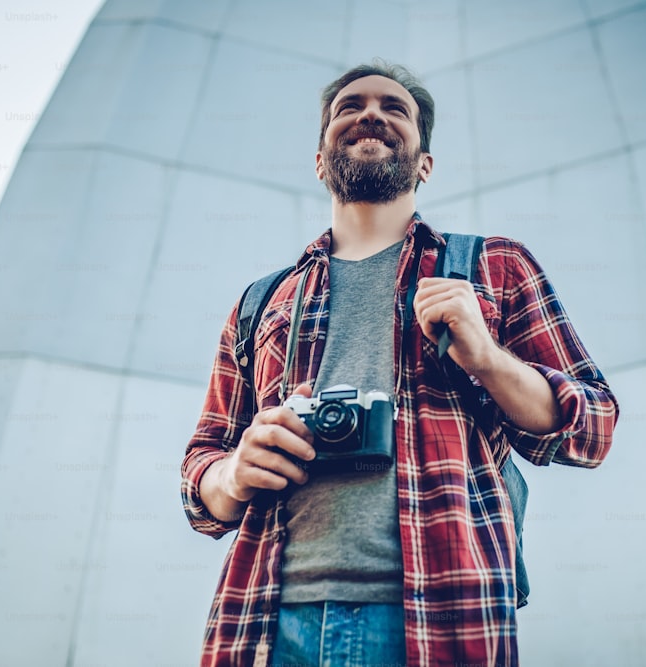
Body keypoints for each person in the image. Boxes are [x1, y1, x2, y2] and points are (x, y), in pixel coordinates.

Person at [181, 61, 619, 667]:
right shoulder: (260, 303)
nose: (370, 114)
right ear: (318, 160)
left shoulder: (494, 268)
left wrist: (488, 359)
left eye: (395, 109)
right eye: (350, 106)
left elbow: (592, 427)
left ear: (425, 163)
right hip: (262, 618)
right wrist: (232, 474)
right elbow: (199, 471)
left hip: (445, 611)